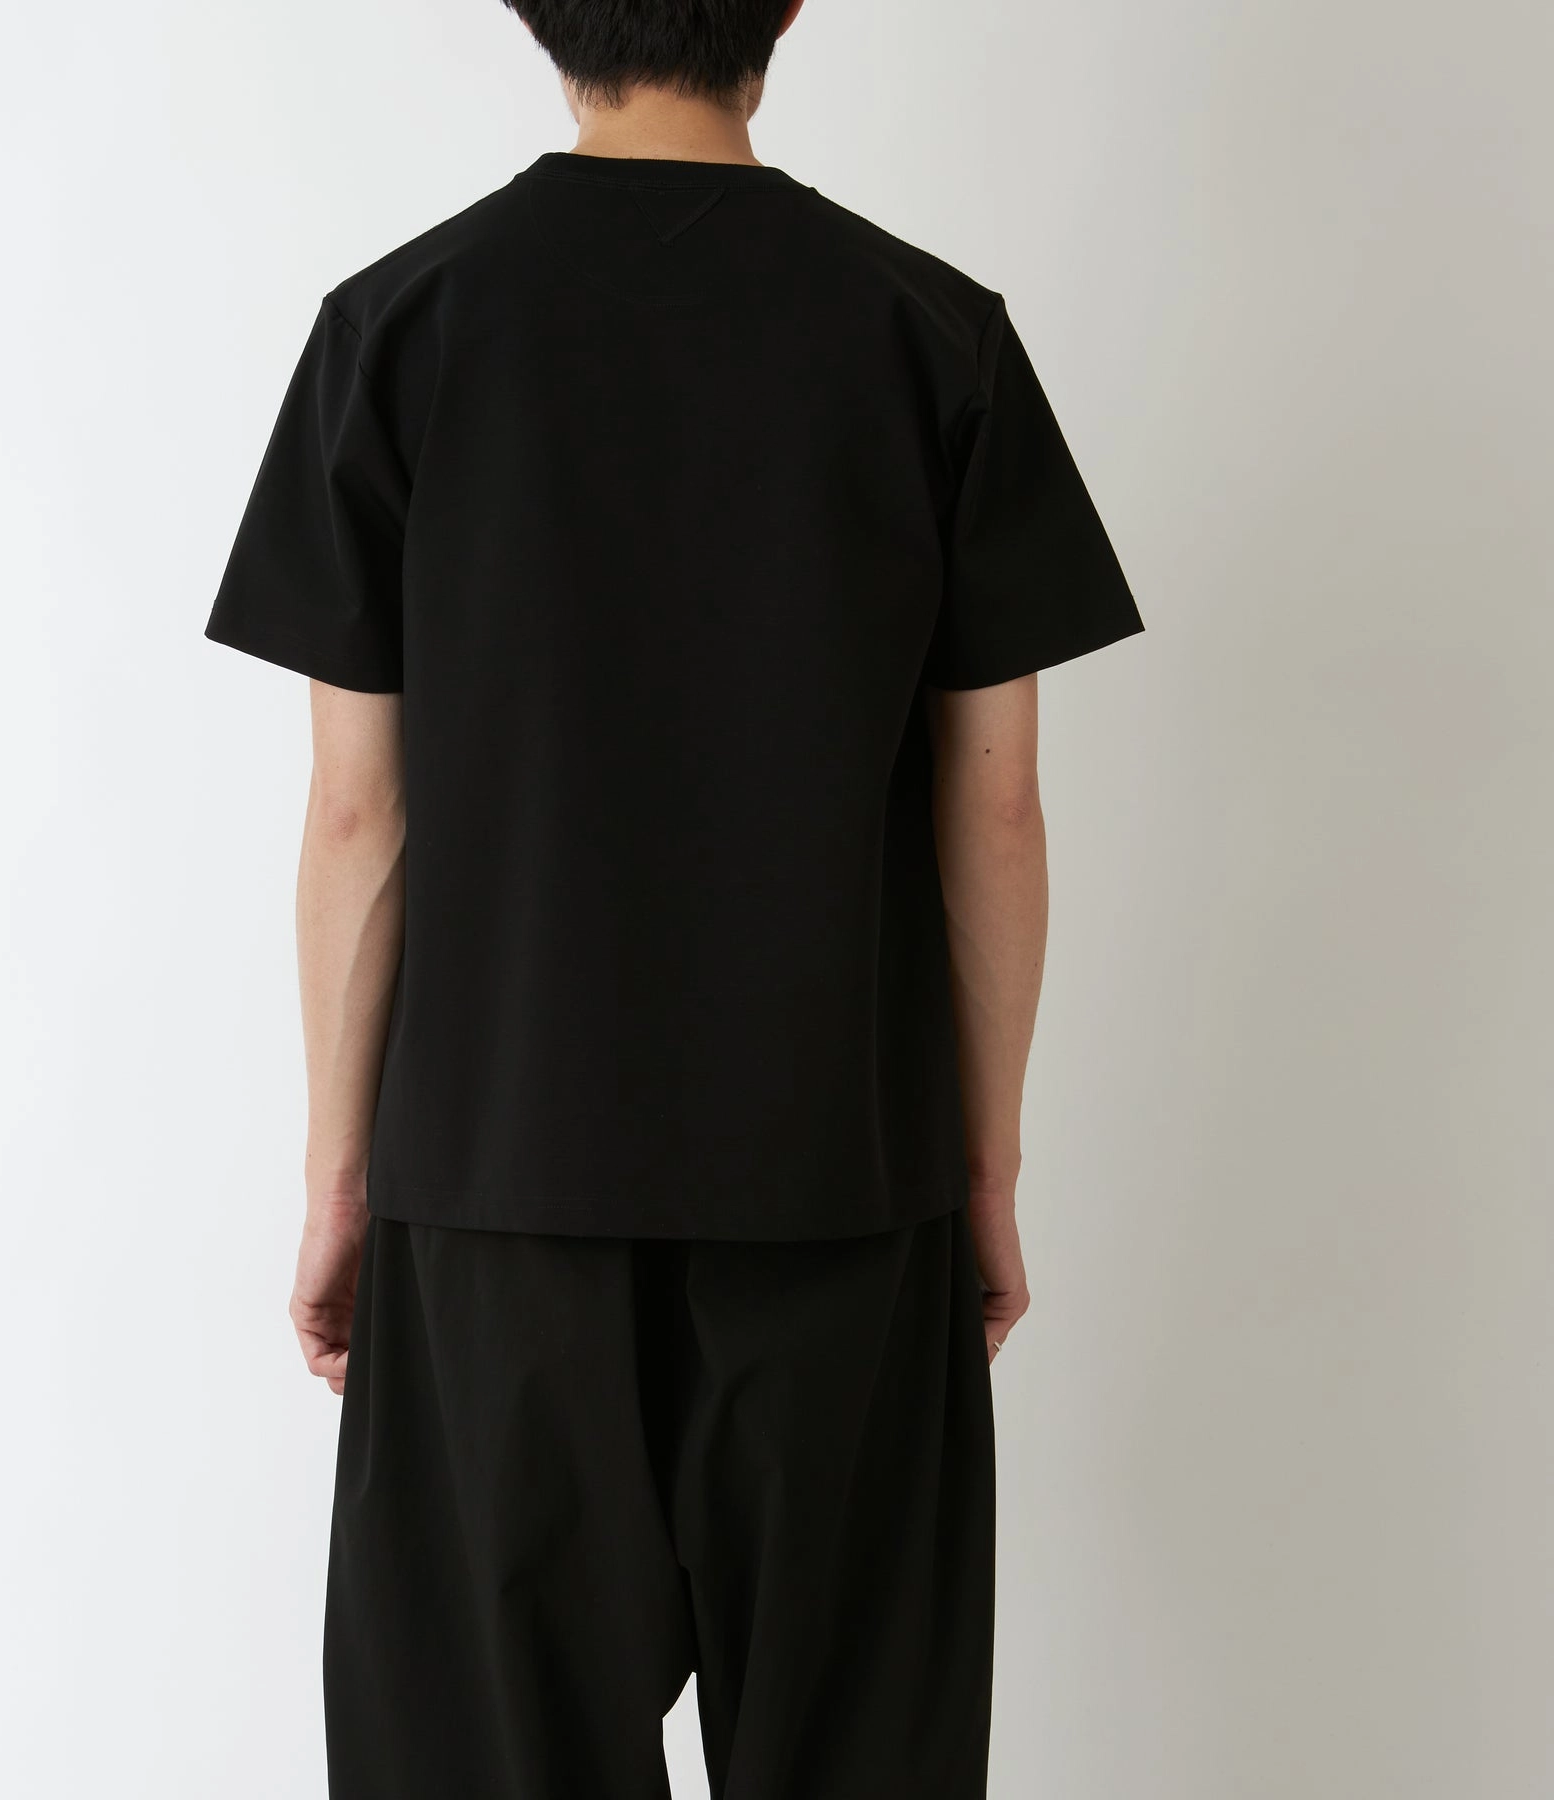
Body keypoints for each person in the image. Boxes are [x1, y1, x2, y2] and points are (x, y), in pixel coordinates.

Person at [205, 2, 1142, 1793]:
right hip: (842, 1193)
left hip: (492, 1203)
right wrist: (983, 1169)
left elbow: (357, 814)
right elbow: (998, 806)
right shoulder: (930, 334)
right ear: (783, 6)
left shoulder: (398, 328)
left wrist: (340, 1180)